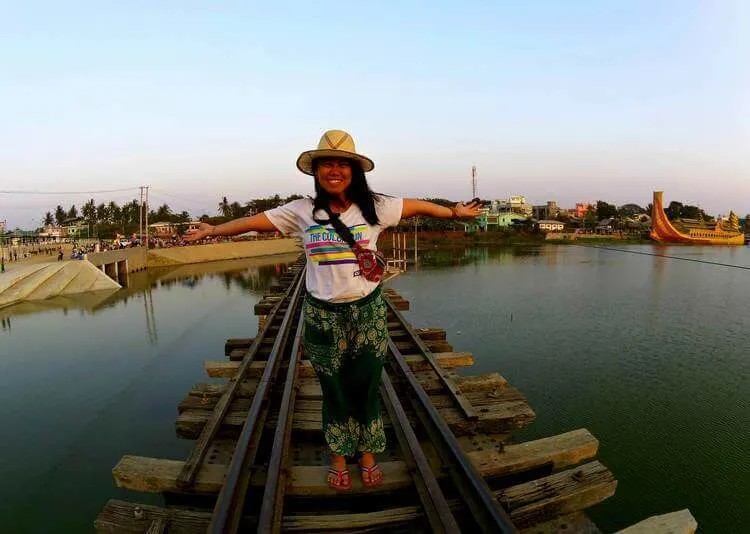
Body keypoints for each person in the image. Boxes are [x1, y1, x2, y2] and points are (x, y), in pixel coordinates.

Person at [184, 129, 481, 491]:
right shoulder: (301, 211)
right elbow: (252, 221)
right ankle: (340, 455)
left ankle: (368, 454)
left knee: (367, 386)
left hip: (368, 313)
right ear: (317, 171)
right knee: (334, 390)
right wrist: (214, 229)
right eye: (327, 164)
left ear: (355, 171)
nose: (335, 170)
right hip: (322, 316)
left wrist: (453, 212)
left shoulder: (376, 206)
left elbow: (417, 205)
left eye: (343, 164)